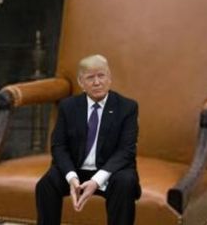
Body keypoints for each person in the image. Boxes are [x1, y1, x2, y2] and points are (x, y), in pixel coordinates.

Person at [35, 54, 140, 225]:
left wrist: (97, 180)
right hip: (76, 169)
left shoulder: (127, 107)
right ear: (81, 83)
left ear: (110, 78)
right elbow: (58, 146)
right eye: (90, 78)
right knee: (46, 184)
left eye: (101, 76)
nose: (97, 82)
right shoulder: (68, 107)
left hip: (111, 170)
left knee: (125, 182)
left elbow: (126, 150)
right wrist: (71, 177)